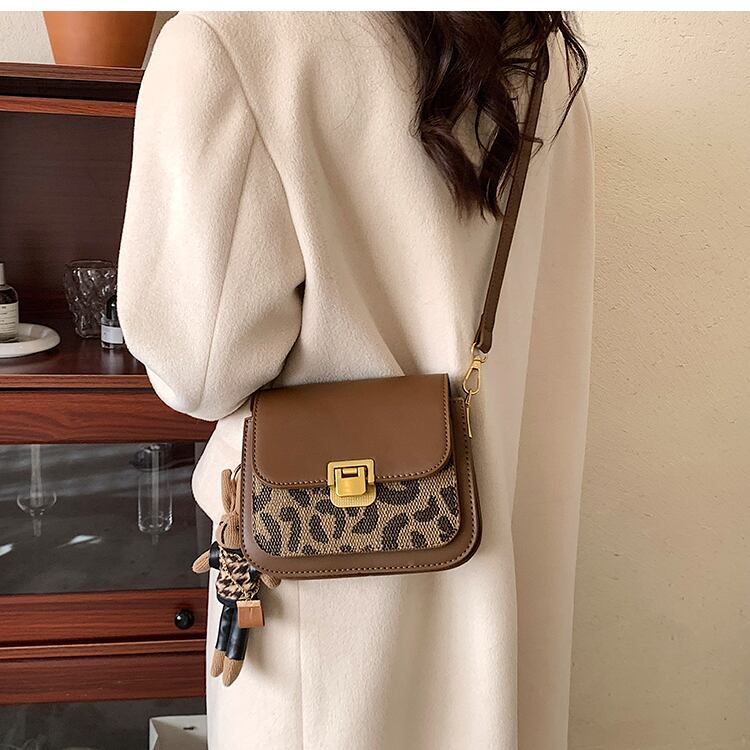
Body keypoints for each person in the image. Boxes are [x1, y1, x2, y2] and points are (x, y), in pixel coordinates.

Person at [118, 11, 593, 750]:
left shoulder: (231, 39)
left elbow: (198, 369)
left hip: (324, 603)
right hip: (510, 590)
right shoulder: (545, 55)